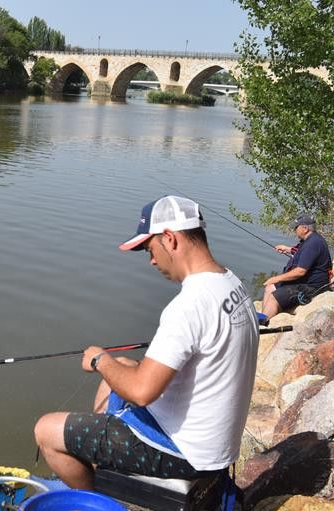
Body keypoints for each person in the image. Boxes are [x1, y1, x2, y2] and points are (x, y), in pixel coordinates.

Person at [34, 196, 259, 490]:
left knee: (46, 431)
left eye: (149, 249)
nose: (151, 260)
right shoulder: (230, 282)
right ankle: (102, 460)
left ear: (170, 239)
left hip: (184, 452)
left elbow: (141, 392)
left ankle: (96, 505)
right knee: (123, 367)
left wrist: (100, 359)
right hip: (213, 443)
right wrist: (112, 366)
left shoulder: (190, 305)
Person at [259, 214, 333, 323]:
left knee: (274, 297)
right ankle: (262, 317)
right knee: (269, 288)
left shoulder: (313, 243)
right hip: (304, 281)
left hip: (312, 287)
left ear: (305, 228)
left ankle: (263, 325)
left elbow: (300, 271)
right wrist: (287, 249)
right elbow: (302, 252)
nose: (294, 230)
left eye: (296, 227)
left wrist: (277, 278)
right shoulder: (310, 240)